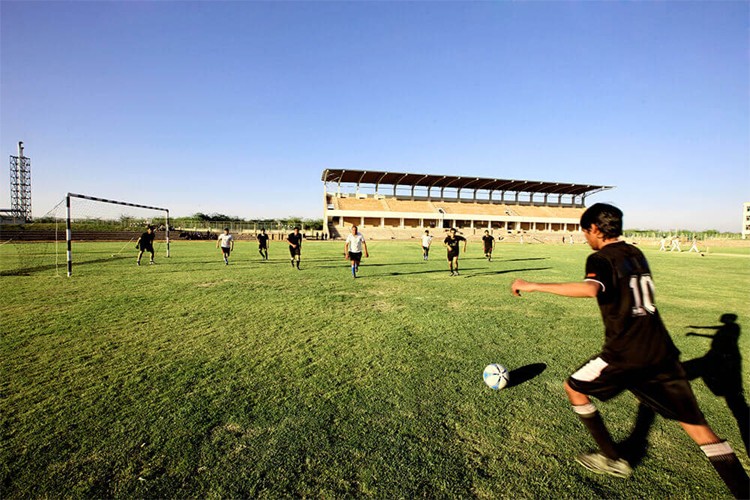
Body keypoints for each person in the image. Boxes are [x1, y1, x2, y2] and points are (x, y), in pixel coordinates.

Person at [510, 203, 747, 497]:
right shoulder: (636, 253)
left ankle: (612, 458)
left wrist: (532, 285)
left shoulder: (600, 258)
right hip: (661, 353)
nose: (586, 238)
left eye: (586, 232)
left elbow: (591, 289)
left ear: (594, 229)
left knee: (573, 387)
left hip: (625, 354)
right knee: (699, 428)